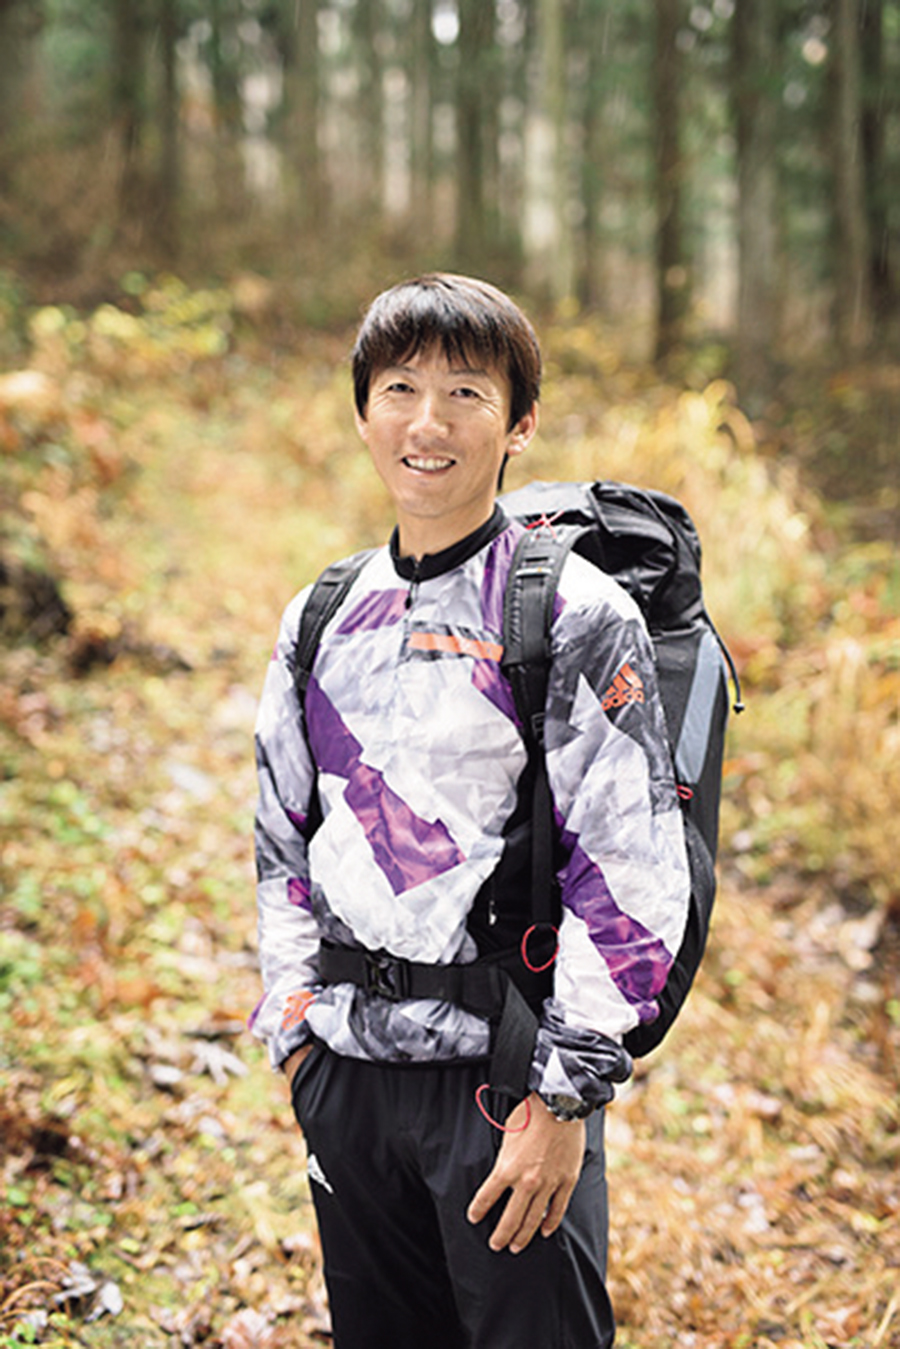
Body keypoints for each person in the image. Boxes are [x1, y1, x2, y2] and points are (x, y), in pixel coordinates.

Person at [250, 273, 690, 1348]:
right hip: (348, 1074)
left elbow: (630, 866)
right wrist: (298, 1034)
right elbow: (281, 838)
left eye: (465, 393)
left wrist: (566, 1099)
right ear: (363, 413)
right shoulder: (322, 612)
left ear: (519, 423)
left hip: (506, 1081)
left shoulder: (572, 612)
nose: (428, 423)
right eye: (400, 389)